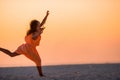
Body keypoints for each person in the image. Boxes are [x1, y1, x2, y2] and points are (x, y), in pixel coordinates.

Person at [0, 10, 49, 77]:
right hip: (29, 49)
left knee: (11, 54)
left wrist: (46, 15)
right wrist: (39, 33)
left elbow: (43, 23)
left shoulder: (35, 31)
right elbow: (35, 37)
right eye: (38, 25)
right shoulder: (34, 33)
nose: (40, 25)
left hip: (24, 47)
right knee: (38, 60)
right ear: (35, 27)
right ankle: (41, 75)